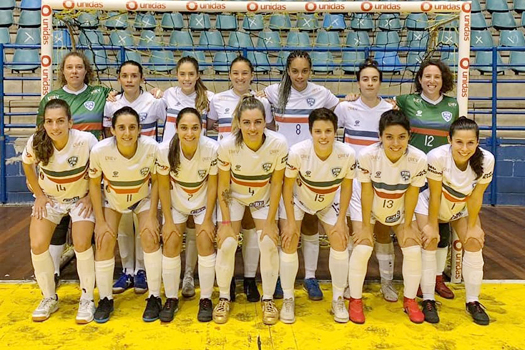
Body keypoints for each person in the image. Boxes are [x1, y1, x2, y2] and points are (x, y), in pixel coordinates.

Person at [263, 50, 340, 300]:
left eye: (304, 71)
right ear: (287, 70)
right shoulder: (274, 92)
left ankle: (310, 276)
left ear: (310, 70)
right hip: (281, 167)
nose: (299, 75)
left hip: (310, 167)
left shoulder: (321, 93)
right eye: (294, 71)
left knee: (309, 223)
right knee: (281, 224)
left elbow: (340, 109)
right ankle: (276, 276)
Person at [36, 51, 115, 288]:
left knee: (85, 224)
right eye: (69, 67)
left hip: (89, 169)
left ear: (86, 70)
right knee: (57, 224)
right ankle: (54, 272)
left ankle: (86, 275)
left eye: (79, 67)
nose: (74, 71)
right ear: (63, 71)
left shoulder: (100, 93)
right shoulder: (51, 99)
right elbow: (41, 136)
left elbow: (123, 100)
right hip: (59, 170)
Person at [213, 95, 288, 325]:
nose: (252, 128)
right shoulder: (227, 146)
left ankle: (267, 299)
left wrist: (270, 221)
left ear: (265, 122)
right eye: (246, 122)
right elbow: (223, 186)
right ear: (238, 122)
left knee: (267, 242)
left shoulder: (278, 144)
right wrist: (225, 224)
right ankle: (224, 297)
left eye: (257, 122)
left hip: (262, 198)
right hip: (233, 197)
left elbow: (277, 184)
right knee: (226, 244)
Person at [23, 99, 98, 323]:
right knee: (37, 245)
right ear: (44, 124)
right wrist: (39, 195)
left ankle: (87, 299)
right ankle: (49, 297)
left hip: (80, 199)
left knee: (82, 243)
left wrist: (90, 197)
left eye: (60, 121)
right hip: (51, 200)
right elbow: (27, 165)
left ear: (70, 122)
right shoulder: (37, 142)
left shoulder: (86, 141)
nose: (55, 127)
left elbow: (99, 169)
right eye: (49, 122)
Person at [207, 56, 275, 302]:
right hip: (228, 169)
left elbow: (270, 131)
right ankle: (228, 285)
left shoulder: (262, 102)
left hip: (254, 171)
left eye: (245, 73)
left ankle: (248, 279)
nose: (240, 77)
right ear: (229, 75)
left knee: (249, 227)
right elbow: (211, 125)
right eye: (235, 73)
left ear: (251, 75)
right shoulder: (217, 99)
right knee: (228, 231)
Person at [349, 110, 427, 324]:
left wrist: (409, 224)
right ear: (380, 137)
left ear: (409, 136)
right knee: (363, 245)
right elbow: (366, 191)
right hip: (368, 201)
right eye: (389, 137)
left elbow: (412, 193)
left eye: (401, 137)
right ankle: (355, 300)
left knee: (412, 247)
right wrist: (366, 225)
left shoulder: (418, 159)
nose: (395, 143)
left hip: (400, 201)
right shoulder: (367, 156)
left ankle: (409, 300)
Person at [279, 108, 355, 324]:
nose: (323, 136)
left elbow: (347, 188)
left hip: (328, 202)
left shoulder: (346, 154)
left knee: (340, 241)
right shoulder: (298, 152)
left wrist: (341, 221)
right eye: (318, 131)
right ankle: (288, 298)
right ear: (310, 131)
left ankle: (338, 298)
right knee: (289, 241)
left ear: (335, 131)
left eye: (328, 131)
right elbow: (287, 187)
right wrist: (291, 222)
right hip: (299, 201)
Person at [415, 117, 494, 325]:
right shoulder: (436, 157)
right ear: (449, 139)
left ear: (477, 142)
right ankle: (429, 299)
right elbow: (434, 195)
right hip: (430, 204)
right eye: (459, 142)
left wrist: (474, 226)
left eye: (470, 143)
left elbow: (476, 197)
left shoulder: (487, 160)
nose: (464, 148)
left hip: (460, 208)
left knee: (474, 242)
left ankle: (473, 301)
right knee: (430, 240)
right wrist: (432, 225)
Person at [88, 106, 160, 323]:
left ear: (139, 129)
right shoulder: (100, 151)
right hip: (113, 200)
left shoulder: (151, 148)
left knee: (150, 236)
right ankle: (105, 299)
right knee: (104, 240)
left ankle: (155, 296)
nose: (127, 133)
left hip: (142, 198)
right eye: (121, 128)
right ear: (112, 130)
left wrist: (153, 215)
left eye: (132, 127)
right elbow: (93, 185)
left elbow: (157, 181)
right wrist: (100, 221)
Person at [334, 59, 398, 302]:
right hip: (354, 182)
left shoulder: (390, 111)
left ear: (380, 82)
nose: (370, 83)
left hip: (382, 181)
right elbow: (329, 133)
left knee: (382, 233)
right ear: (358, 82)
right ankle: (352, 283)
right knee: (356, 233)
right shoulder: (345, 108)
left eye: (374, 79)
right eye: (365, 79)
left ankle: (387, 282)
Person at [396, 59, 459, 300]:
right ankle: (415, 278)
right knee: (411, 227)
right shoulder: (407, 101)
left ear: (443, 80)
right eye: (427, 76)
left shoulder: (454, 105)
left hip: (440, 174)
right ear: (420, 79)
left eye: (437, 77)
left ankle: (436, 277)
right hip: (413, 173)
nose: (432, 81)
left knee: (440, 227)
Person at [104, 60, 167, 295]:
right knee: (123, 224)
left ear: (142, 77)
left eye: (134, 75)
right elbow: (107, 136)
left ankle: (141, 269)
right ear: (119, 78)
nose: (129, 80)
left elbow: (169, 126)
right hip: (120, 171)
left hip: (146, 169)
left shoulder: (154, 101)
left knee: (144, 223)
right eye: (124, 76)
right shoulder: (112, 104)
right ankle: (127, 269)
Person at [156, 107, 218, 323]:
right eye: (184, 128)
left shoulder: (211, 149)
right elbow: (163, 187)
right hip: (177, 203)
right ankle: (171, 298)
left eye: (194, 128)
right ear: (176, 129)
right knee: (171, 242)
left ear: (202, 128)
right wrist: (168, 221)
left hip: (203, 203)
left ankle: (207, 299)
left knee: (205, 243)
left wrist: (208, 219)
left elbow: (213, 187)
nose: (189, 133)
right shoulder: (164, 150)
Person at [160, 56, 214, 298]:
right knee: (172, 228)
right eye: (182, 74)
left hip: (197, 161)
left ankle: (190, 274)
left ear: (198, 75)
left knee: (196, 226)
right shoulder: (165, 95)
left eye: (191, 74)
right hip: (173, 162)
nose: (187, 78)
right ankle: (166, 281)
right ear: (176, 75)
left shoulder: (208, 98)